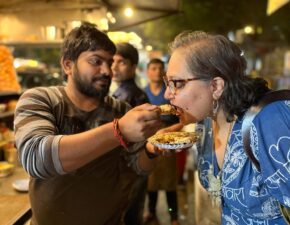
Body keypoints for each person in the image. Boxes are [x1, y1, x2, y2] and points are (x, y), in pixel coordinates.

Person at [13, 23, 162, 225]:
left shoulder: (120, 110)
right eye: (96, 61)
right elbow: (36, 159)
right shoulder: (41, 100)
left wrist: (153, 150)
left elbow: (139, 168)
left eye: (109, 62)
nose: (107, 71)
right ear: (68, 65)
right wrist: (118, 130)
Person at [160, 31, 290, 224]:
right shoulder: (205, 122)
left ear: (216, 86)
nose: (168, 94)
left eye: (177, 83)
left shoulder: (270, 122)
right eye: (167, 82)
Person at [111, 42, 149, 225]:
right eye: (113, 61)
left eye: (122, 62)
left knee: (129, 215)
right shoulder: (120, 93)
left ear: (134, 67)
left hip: (130, 168)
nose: (114, 67)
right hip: (130, 167)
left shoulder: (132, 96)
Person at [143, 58, 180, 225]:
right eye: (153, 68)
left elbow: (182, 117)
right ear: (147, 71)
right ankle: (151, 212)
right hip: (149, 140)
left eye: (160, 68)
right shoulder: (143, 93)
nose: (157, 71)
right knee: (152, 182)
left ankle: (173, 215)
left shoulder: (170, 93)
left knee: (169, 182)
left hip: (168, 138)